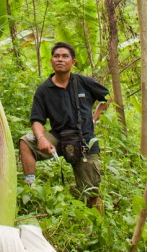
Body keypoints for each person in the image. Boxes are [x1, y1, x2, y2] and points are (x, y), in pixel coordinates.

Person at [19, 42, 110, 210]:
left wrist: (94, 118)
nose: (60, 59)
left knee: (91, 193)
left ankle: (97, 229)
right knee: (26, 142)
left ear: (73, 62)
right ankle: (30, 185)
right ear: (52, 61)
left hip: (84, 141)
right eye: (56, 56)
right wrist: (41, 138)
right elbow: (37, 120)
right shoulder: (44, 90)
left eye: (65, 56)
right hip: (59, 138)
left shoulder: (84, 82)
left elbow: (106, 97)